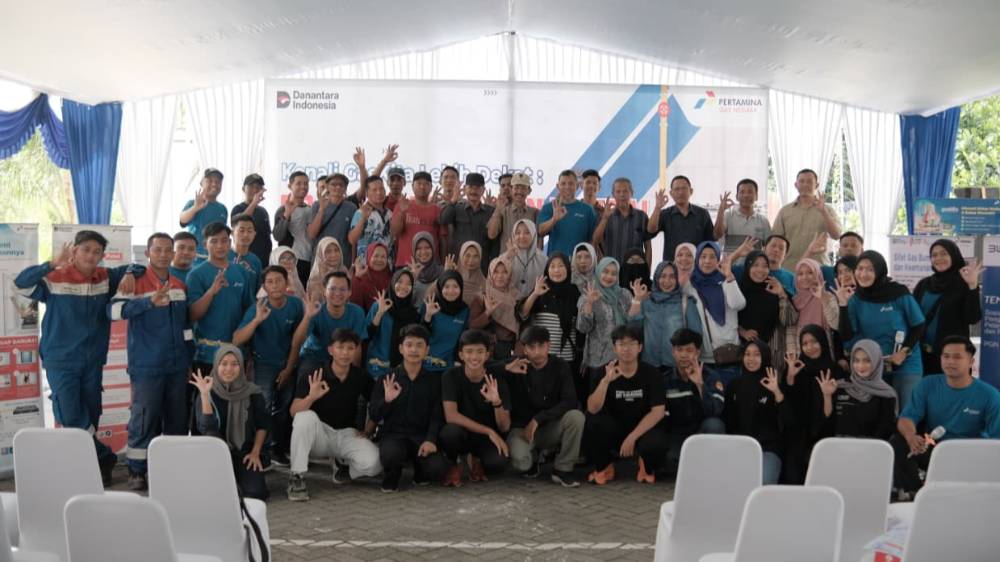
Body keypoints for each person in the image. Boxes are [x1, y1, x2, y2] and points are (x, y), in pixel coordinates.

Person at [108, 233, 190, 490]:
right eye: (158, 250)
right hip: (147, 365)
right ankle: (137, 470)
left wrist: (188, 357)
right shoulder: (134, 281)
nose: (164, 255)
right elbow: (113, 312)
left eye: (168, 250)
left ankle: (172, 467)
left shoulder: (179, 284)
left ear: (173, 253)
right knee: (144, 418)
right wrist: (148, 303)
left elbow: (185, 326)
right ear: (148, 253)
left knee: (177, 419)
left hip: (177, 366)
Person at [891, 336, 1000, 499]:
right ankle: (916, 494)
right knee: (898, 443)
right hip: (933, 446)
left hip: (970, 453)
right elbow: (907, 418)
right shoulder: (927, 384)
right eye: (946, 356)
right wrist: (911, 437)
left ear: (971, 362)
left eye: (957, 357)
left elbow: (995, 441)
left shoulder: (990, 395)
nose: (950, 361)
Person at [285, 329, 381, 501]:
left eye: (350, 348)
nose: (345, 353)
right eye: (340, 347)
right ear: (330, 350)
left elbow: (376, 405)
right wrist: (311, 397)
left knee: (375, 463)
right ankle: (297, 476)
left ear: (356, 351)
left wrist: (368, 430)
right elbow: (294, 411)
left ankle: (343, 466)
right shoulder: (314, 374)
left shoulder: (360, 376)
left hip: (346, 434)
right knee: (304, 417)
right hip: (319, 435)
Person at [836, 250, 925, 409]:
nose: (863, 274)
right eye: (860, 269)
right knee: (880, 413)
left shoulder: (898, 293)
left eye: (870, 269)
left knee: (907, 410)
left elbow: (919, 325)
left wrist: (904, 352)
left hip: (906, 362)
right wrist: (843, 305)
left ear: (879, 271)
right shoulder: (855, 299)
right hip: (874, 365)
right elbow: (847, 336)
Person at [232, 266, 304, 460]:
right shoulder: (258, 307)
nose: (275, 285)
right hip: (262, 364)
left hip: (288, 361)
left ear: (287, 282)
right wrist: (257, 320)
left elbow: (298, 341)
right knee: (263, 406)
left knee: (283, 408)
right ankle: (261, 452)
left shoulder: (296, 305)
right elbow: (237, 339)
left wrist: (289, 368)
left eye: (279, 280)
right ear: (264, 286)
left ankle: (276, 449)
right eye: (270, 282)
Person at [585, 325, 668, 485]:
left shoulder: (652, 373)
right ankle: (605, 466)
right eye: (621, 344)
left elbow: (658, 411)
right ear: (614, 348)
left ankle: (646, 466)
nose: (626, 348)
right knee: (593, 423)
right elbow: (592, 408)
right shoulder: (603, 372)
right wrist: (605, 382)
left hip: (642, 429)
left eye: (631, 343)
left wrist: (632, 437)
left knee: (657, 441)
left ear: (640, 347)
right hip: (614, 428)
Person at [369, 325, 449, 492]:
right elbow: (375, 415)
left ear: (427, 350)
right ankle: (393, 474)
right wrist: (387, 400)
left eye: (419, 345)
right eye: (409, 344)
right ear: (401, 348)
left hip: (421, 436)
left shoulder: (435, 381)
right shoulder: (387, 378)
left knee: (437, 468)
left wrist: (430, 439)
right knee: (391, 455)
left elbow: (437, 415)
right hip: (393, 435)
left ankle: (420, 472)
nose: (414, 350)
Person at [503, 326, 583, 487]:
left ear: (549, 346)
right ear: (524, 349)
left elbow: (570, 401)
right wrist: (505, 368)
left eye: (541, 346)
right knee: (521, 464)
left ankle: (562, 469)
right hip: (522, 429)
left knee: (576, 417)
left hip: (550, 426)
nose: (537, 352)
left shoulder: (560, 366)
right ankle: (533, 459)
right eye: (531, 347)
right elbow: (486, 366)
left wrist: (538, 419)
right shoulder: (516, 364)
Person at [190, 345, 269, 500]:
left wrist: (255, 453)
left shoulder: (252, 392)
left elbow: (263, 424)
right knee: (217, 494)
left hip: (243, 452)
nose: (229, 369)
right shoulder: (207, 390)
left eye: (234, 364)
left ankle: (235, 479)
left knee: (256, 493)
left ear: (242, 366)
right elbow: (207, 428)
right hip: (214, 455)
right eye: (224, 363)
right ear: (216, 365)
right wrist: (205, 395)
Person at [439, 330, 512, 486]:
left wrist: (497, 402)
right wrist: (489, 431)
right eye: (469, 351)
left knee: (498, 463)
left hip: (484, 439)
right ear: (461, 355)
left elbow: (504, 426)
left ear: (487, 355)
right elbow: (451, 416)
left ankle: (476, 459)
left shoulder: (496, 379)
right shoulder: (450, 376)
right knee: (449, 433)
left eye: (480, 351)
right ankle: (454, 463)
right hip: (463, 433)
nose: (474, 357)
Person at [186, 223, 254, 379]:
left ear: (230, 243)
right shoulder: (196, 274)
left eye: (224, 241)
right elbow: (192, 314)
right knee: (207, 394)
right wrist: (211, 292)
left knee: (236, 394)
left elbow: (249, 309)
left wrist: (248, 347)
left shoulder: (241, 272)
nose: (220, 246)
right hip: (206, 355)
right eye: (214, 241)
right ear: (205, 244)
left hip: (236, 352)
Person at [782, 324, 845, 484]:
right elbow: (788, 404)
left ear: (823, 342)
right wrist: (790, 376)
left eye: (814, 341)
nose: (810, 347)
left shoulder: (836, 371)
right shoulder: (797, 368)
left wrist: (827, 395)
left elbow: (833, 417)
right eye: (805, 343)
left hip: (825, 437)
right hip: (798, 438)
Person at [723, 339, 791, 485]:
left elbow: (788, 421)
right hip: (740, 446)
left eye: (756, 354)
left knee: (764, 481)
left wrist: (777, 393)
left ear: (765, 357)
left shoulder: (773, 384)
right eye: (747, 354)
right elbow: (728, 420)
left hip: (768, 448)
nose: (751, 359)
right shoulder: (734, 385)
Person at [912, 239, 984, 375]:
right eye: (934, 255)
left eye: (944, 253)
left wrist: (972, 286)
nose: (938, 258)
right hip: (922, 355)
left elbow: (973, 318)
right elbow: (912, 317)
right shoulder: (924, 284)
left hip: (953, 356)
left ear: (954, 255)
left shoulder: (964, 283)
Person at [661, 329, 726, 476]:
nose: (684, 355)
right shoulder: (665, 379)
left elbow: (715, 411)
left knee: (715, 425)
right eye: (679, 350)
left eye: (689, 350)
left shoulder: (710, 376)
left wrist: (699, 384)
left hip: (702, 430)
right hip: (677, 433)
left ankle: (709, 467)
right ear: (673, 352)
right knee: (671, 459)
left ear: (697, 352)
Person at [684, 241, 746, 385]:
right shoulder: (691, 285)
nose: (707, 261)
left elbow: (738, 304)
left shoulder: (726, 280)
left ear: (718, 259)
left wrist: (729, 275)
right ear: (697, 259)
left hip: (729, 353)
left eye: (712, 257)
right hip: (704, 356)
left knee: (730, 396)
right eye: (703, 256)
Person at [517, 253, 581, 390]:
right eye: (552, 266)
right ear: (547, 270)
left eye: (561, 266)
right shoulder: (541, 289)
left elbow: (580, 324)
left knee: (565, 393)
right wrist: (535, 294)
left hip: (567, 357)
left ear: (568, 269)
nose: (556, 270)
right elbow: (522, 314)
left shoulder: (574, 292)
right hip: (541, 357)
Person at [815, 339, 897, 441]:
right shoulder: (841, 386)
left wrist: (863, 448)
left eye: (867, 360)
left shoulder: (886, 394)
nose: (861, 366)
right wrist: (827, 396)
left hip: (871, 448)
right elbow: (828, 424)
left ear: (876, 361)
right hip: (839, 446)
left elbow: (885, 430)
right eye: (856, 360)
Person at [629, 262, 702, 370]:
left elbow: (697, 337)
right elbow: (632, 330)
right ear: (656, 278)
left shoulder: (687, 303)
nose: (667, 281)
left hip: (677, 367)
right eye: (663, 276)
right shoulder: (647, 302)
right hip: (649, 365)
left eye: (672, 276)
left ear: (676, 279)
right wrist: (637, 300)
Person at [292, 271, 368, 374]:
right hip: (314, 357)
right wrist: (307, 317)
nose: (337, 293)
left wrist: (354, 374)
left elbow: (357, 346)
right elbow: (297, 342)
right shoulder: (316, 310)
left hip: (342, 358)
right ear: (324, 291)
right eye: (332, 289)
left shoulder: (357, 312)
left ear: (349, 292)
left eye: (342, 289)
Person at [737, 250, 797, 370]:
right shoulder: (738, 291)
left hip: (773, 353)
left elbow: (789, 320)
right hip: (745, 354)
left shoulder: (776, 288)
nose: (760, 270)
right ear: (748, 267)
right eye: (755, 265)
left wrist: (781, 294)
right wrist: (743, 332)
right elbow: (729, 319)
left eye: (765, 266)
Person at [771, 168, 842, 268]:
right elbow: (775, 239)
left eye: (809, 181)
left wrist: (823, 212)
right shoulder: (785, 211)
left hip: (818, 267)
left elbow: (837, 235)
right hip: (789, 266)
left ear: (816, 185)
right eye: (802, 181)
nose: (805, 184)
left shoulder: (827, 210)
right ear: (796, 185)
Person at [577, 257, 635, 371]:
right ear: (599, 271)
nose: (609, 276)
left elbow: (632, 324)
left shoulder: (625, 295)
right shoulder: (588, 294)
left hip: (623, 357)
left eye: (614, 273)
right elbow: (583, 328)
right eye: (605, 271)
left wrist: (637, 301)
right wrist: (589, 303)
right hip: (598, 359)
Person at [647, 175, 715, 263]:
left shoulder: (702, 214)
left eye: (684, 188)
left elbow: (711, 241)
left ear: (691, 191)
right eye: (677, 189)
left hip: (697, 265)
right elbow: (651, 230)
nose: (680, 192)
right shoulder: (665, 214)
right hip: (672, 266)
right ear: (671, 193)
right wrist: (657, 208)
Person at [365, 270, 420, 379]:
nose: (403, 286)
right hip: (376, 367)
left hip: (401, 370)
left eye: (408, 283)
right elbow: (367, 336)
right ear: (393, 282)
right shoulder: (379, 305)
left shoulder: (413, 314)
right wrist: (380, 313)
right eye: (400, 281)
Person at [391, 171, 446, 268]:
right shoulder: (402, 205)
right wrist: (401, 213)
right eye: (419, 183)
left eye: (426, 184)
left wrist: (443, 263)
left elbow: (442, 239)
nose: (422, 187)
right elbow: (395, 232)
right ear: (412, 186)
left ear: (431, 187)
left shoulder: (437, 210)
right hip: (406, 263)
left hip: (431, 266)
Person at [591, 177, 653, 264]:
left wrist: (647, 269)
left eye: (625, 191)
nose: (622, 195)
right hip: (611, 269)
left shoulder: (642, 216)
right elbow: (595, 240)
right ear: (613, 194)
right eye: (618, 191)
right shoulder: (605, 216)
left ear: (631, 193)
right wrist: (605, 218)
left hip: (635, 269)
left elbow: (648, 247)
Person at [440, 173, 495, 269]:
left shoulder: (490, 211)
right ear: (465, 189)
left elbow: (494, 241)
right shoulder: (456, 208)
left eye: (477, 188)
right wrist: (453, 200)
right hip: (458, 264)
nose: (474, 191)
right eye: (471, 187)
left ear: (483, 190)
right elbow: (443, 220)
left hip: (481, 266)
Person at [537, 170, 597, 257]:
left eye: (571, 183)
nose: (567, 187)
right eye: (563, 184)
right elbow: (540, 231)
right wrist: (554, 219)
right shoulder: (549, 207)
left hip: (579, 262)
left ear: (577, 186)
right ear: (558, 186)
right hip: (556, 262)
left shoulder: (588, 210)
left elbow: (593, 240)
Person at [786, 258, 839, 356]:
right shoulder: (795, 300)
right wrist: (793, 355)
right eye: (800, 274)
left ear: (817, 274)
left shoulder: (828, 296)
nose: (805, 277)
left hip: (824, 350)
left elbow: (835, 324)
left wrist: (823, 298)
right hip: (801, 353)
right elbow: (790, 331)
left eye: (810, 272)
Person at [469, 257, 519, 359]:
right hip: (486, 349)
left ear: (510, 274)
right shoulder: (482, 296)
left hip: (509, 350)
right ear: (490, 273)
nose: (500, 276)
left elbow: (522, 326)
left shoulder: (516, 296)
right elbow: (472, 326)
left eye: (505, 272)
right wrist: (488, 312)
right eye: (496, 272)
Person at [420, 271, 470, 373]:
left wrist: (458, 360)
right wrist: (428, 316)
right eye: (446, 287)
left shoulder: (464, 310)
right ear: (440, 288)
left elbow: (462, 338)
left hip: (449, 366)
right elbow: (419, 335)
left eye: (455, 286)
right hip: (425, 364)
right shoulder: (430, 305)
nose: (451, 291)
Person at [713, 179, 771, 263]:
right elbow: (717, 235)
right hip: (730, 267)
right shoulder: (728, 215)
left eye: (750, 192)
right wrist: (721, 210)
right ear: (737, 196)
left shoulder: (763, 221)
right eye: (742, 192)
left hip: (754, 269)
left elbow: (768, 247)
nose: (746, 195)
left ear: (756, 196)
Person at [274, 171, 315, 286]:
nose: (303, 186)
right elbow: (277, 236)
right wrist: (287, 215)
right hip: (290, 261)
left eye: (306, 183)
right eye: (298, 183)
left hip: (308, 260)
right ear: (290, 186)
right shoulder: (283, 209)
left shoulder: (310, 209)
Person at [306, 173, 358, 263]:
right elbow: (311, 234)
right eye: (333, 184)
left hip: (343, 261)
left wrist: (352, 264)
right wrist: (321, 210)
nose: (337, 187)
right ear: (327, 187)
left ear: (345, 188)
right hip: (321, 261)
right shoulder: (317, 205)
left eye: (341, 185)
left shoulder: (351, 208)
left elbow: (353, 241)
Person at [179, 168, 228, 262]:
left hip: (216, 257)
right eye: (209, 181)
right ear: (201, 183)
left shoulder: (223, 208)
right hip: (196, 257)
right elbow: (182, 221)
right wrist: (195, 208)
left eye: (218, 182)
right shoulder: (193, 203)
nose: (214, 184)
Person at [487, 172, 539, 254]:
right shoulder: (503, 211)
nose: (519, 192)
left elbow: (539, 240)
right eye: (516, 188)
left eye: (523, 188)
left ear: (529, 191)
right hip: (507, 260)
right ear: (511, 190)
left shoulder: (535, 212)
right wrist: (497, 210)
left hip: (528, 260)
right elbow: (491, 235)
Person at [347, 175, 393, 262]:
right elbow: (352, 240)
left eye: (381, 189)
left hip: (387, 264)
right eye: (374, 190)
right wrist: (363, 219)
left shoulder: (390, 214)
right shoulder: (360, 213)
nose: (379, 192)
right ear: (367, 193)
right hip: (366, 264)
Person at [230, 173, 272, 266]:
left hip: (263, 259)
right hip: (244, 258)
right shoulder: (237, 208)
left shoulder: (263, 211)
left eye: (258, 187)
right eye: (251, 187)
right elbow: (240, 222)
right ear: (243, 189)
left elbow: (267, 236)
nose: (255, 190)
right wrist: (254, 203)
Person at [505, 219, 546, 300]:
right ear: (513, 236)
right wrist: (507, 258)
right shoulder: (506, 257)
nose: (522, 236)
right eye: (518, 233)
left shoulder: (543, 259)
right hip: (509, 303)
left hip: (537, 303)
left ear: (534, 234)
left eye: (527, 232)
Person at [350, 242, 391, 313]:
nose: (379, 260)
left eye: (383, 257)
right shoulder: (360, 279)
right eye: (376, 256)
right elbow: (354, 307)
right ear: (369, 257)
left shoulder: (393, 278)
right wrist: (357, 278)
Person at [305, 237, 347, 302]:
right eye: (328, 252)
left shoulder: (344, 271)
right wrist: (323, 277)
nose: (333, 255)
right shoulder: (315, 278)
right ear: (321, 254)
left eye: (336, 250)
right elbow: (314, 303)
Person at [230, 214, 263, 293]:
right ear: (232, 232)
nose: (246, 235)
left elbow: (258, 290)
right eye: (241, 231)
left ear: (254, 234)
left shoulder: (256, 261)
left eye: (250, 231)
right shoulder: (222, 256)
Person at [409, 231, 443, 305]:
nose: (423, 252)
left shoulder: (442, 272)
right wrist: (412, 279)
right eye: (419, 248)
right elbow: (403, 301)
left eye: (427, 247)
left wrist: (445, 275)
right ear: (414, 250)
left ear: (433, 248)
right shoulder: (406, 273)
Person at [455, 241, 487, 305]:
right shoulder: (452, 277)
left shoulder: (485, 283)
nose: (471, 260)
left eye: (475, 256)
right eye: (468, 255)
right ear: (461, 256)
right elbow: (433, 293)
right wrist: (444, 275)